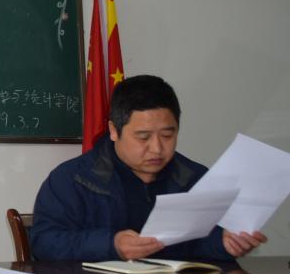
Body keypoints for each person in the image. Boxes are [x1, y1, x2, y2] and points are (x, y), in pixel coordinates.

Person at [31, 74, 267, 261]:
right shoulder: (73, 179)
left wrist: (224, 244)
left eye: (167, 135)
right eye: (143, 137)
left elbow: (197, 245)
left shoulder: (195, 178)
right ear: (113, 131)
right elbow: (44, 242)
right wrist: (111, 245)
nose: (157, 148)